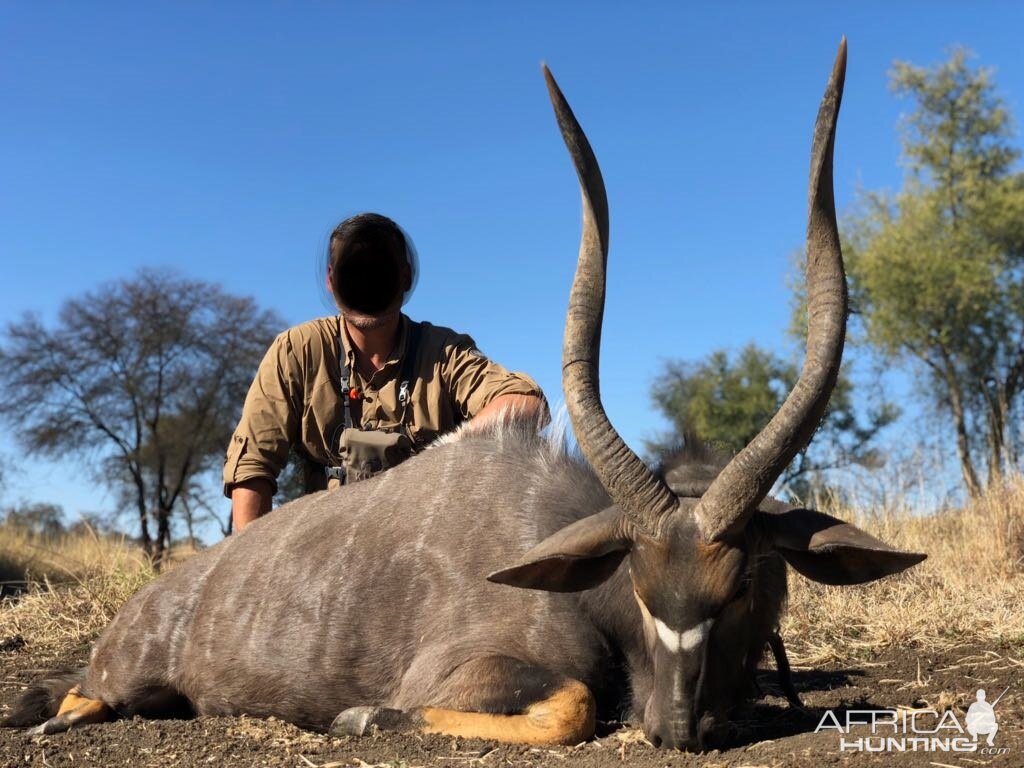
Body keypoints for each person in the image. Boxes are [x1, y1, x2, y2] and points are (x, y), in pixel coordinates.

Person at [224, 213, 547, 531]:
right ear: (332, 280)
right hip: (324, 542)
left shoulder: (444, 350)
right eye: (355, 272)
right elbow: (253, 464)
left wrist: (440, 455)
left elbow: (525, 403)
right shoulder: (296, 348)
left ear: (404, 277)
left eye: (379, 272)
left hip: (428, 536)